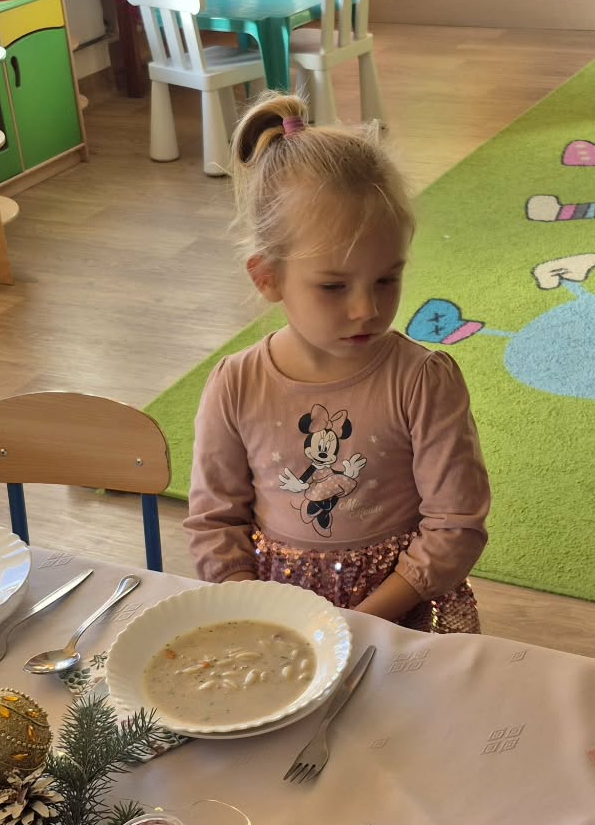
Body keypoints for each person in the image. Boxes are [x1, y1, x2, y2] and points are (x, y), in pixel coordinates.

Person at [186, 93, 490, 632]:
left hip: (400, 616)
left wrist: (359, 624)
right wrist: (260, 614)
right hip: (280, 622)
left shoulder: (423, 381)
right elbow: (215, 522)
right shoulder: (235, 384)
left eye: (387, 279)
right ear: (267, 278)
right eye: (333, 286)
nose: (366, 309)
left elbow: (456, 524)